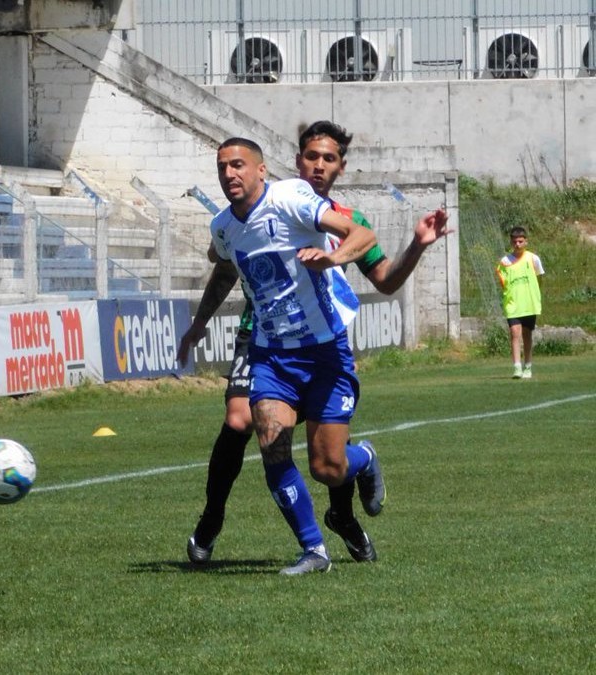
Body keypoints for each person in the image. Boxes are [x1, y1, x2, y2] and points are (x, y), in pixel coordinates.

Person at [179, 131, 449, 575]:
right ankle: (305, 547)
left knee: (327, 466)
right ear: (296, 160)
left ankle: (357, 473)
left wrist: (339, 256)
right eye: (310, 156)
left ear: (341, 167)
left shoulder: (316, 207)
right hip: (267, 346)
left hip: (325, 346)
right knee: (257, 430)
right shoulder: (232, 222)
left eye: (328, 158)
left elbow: (381, 273)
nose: (318, 165)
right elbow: (224, 261)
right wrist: (198, 324)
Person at [495, 226, 545, 379]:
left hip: (529, 303)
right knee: (514, 333)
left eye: (520, 241)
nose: (517, 244)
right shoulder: (504, 261)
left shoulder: (533, 258)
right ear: (511, 242)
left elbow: (539, 278)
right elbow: (503, 283)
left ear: (526, 242)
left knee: (527, 334)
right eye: (515, 241)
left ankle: (528, 366)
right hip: (513, 304)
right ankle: (517, 367)